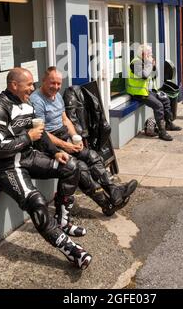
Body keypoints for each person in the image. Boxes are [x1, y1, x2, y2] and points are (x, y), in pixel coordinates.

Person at [0, 67, 91, 270]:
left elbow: (39, 134)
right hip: (5, 166)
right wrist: (27, 137)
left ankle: (63, 222)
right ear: (14, 85)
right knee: (37, 201)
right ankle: (71, 250)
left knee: (71, 166)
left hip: (27, 156)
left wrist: (55, 152)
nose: (33, 88)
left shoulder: (27, 103)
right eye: (29, 84)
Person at [30, 67, 138, 217]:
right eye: (52, 83)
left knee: (92, 156)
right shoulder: (37, 100)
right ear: (43, 81)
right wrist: (65, 145)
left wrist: (75, 137)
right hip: (47, 143)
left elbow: (65, 119)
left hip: (63, 136)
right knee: (80, 168)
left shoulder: (57, 96)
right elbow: (43, 133)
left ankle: (114, 191)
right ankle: (107, 204)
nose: (55, 87)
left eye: (58, 83)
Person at [126, 44, 182, 141]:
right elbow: (144, 75)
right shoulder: (135, 63)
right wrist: (149, 64)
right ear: (143, 54)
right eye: (149, 54)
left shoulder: (144, 61)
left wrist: (153, 65)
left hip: (146, 91)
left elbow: (153, 73)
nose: (151, 55)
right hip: (138, 93)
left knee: (165, 99)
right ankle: (162, 132)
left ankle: (169, 123)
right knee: (159, 105)